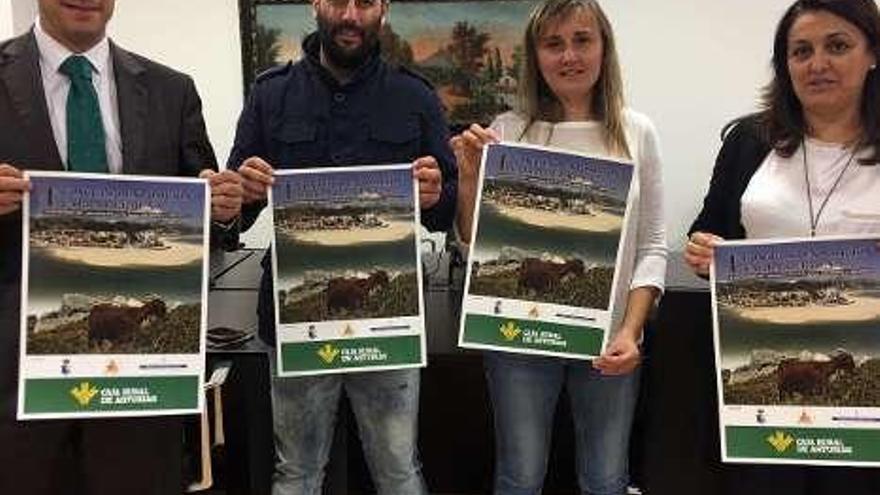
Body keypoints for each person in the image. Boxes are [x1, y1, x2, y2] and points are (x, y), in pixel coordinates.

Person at [0, 1, 242, 493]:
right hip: (11, 389)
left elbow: (210, 221)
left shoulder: (172, 91)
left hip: (141, 392)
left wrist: (224, 207)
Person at [227, 0, 457, 492]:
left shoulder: (414, 96)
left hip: (388, 322)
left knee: (398, 470)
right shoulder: (271, 95)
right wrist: (242, 191)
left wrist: (438, 193)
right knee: (297, 472)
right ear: (316, 5)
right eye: (337, 1)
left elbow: (445, 211)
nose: (350, 14)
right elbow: (234, 213)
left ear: (383, 8)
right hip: (295, 322)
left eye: (366, 2)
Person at [450, 0, 667, 493]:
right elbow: (472, 245)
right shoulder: (507, 131)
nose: (569, 55)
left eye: (582, 40)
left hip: (609, 343)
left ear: (603, 48)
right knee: (519, 478)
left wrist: (632, 331)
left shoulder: (638, 132)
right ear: (536, 55)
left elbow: (653, 245)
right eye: (553, 44)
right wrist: (467, 179)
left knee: (607, 480)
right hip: (516, 341)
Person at [686, 0, 880, 493]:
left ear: (872, 53)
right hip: (761, 403)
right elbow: (709, 227)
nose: (818, 63)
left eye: (837, 46)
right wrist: (707, 252)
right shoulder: (750, 142)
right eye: (801, 51)